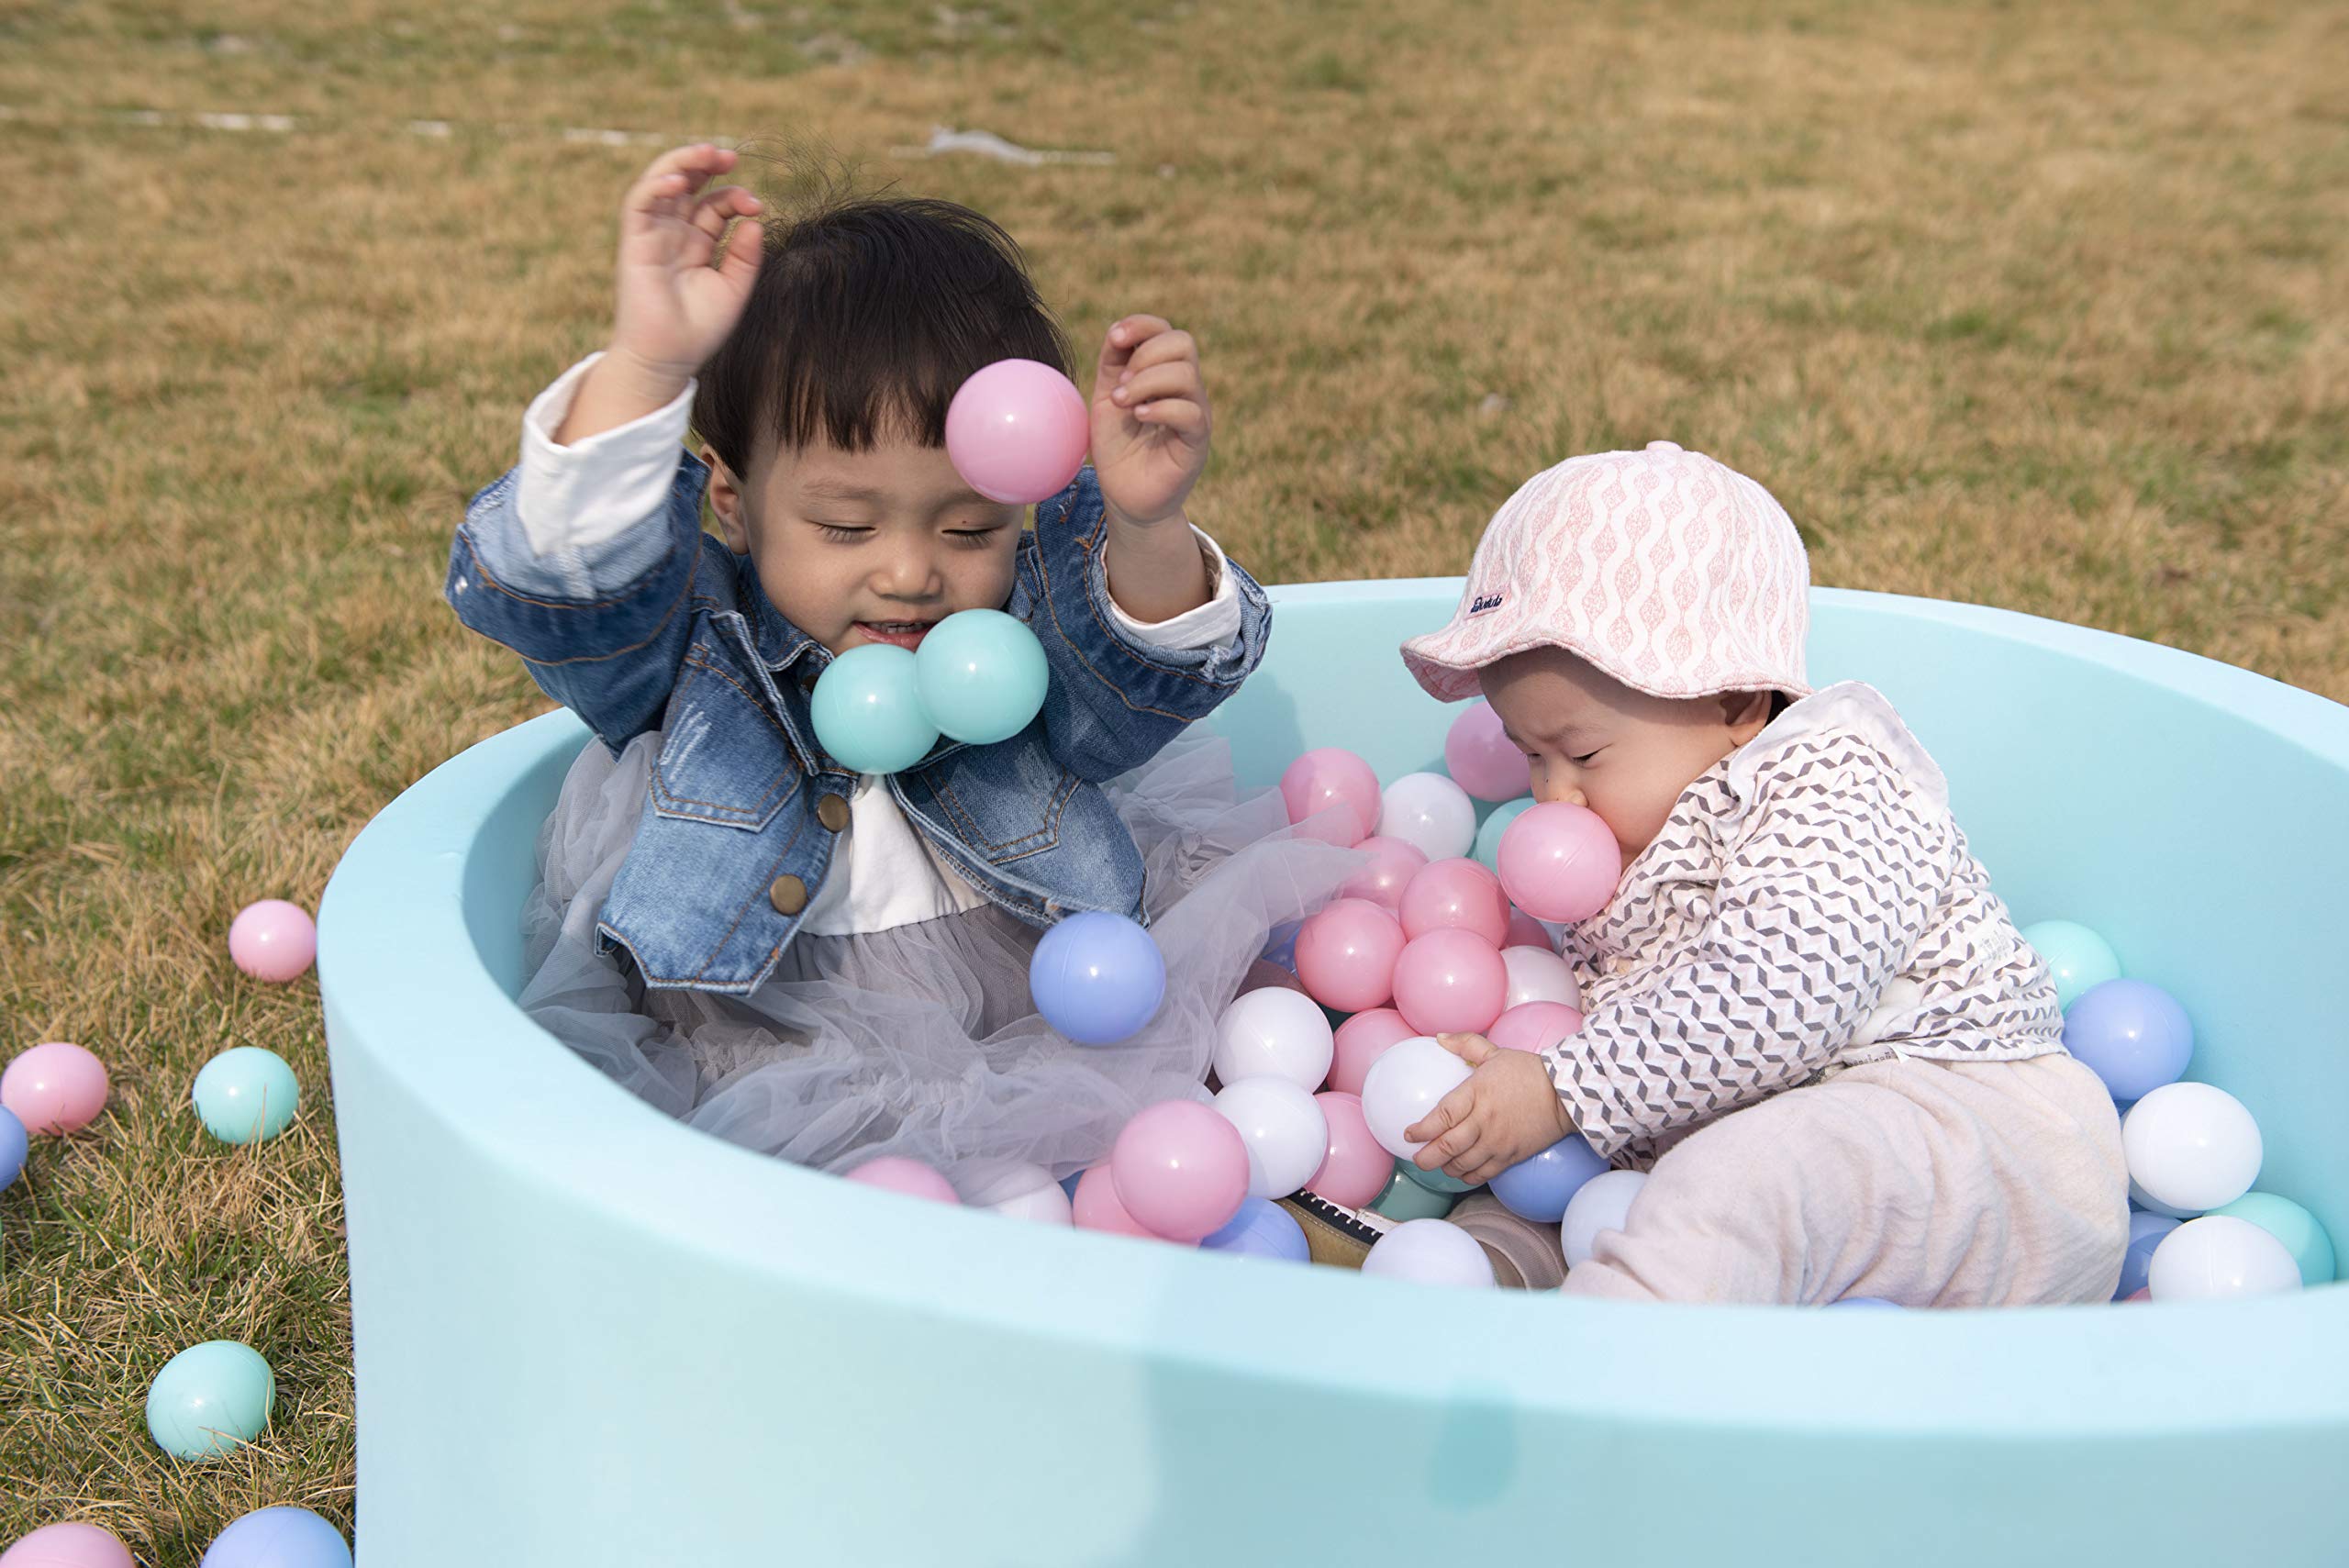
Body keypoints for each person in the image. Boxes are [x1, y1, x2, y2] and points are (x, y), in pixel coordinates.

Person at [445, 144, 1348, 1193]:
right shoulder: (693, 648)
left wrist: (1146, 524)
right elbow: (566, 585)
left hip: (1046, 1010)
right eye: (843, 524)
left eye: (970, 525)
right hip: (770, 1033)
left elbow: (1127, 696)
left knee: (1210, 1119)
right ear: (732, 503)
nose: (912, 572)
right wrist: (646, 366)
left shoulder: (1014, 639)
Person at [1394, 441, 2129, 1305]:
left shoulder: (1830, 781)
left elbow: (1784, 996)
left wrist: (1566, 1086)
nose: (1555, 796)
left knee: (1739, 1180)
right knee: (1621, 1196)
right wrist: (1514, 1106)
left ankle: (1604, 1376)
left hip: (1982, 1142)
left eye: (1583, 752)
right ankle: (1506, 1283)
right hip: (1828, 1200)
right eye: (1530, 756)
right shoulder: (1630, 835)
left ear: (1737, 704)